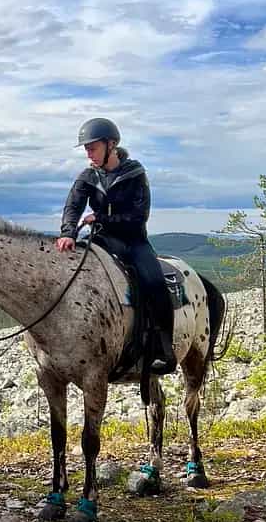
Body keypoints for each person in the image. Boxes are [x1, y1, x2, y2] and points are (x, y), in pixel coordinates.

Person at [55, 118, 177, 375]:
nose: (88, 153)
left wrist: (100, 218)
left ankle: (165, 351)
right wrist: (67, 233)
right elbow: (73, 207)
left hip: (133, 241)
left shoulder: (134, 173)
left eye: (93, 147)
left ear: (111, 145)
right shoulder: (88, 176)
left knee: (154, 283)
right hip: (100, 239)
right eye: (86, 149)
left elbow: (138, 216)